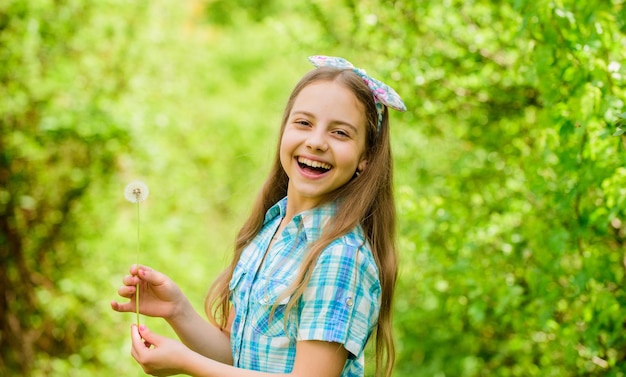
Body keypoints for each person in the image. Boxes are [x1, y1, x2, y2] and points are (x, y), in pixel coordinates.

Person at [111, 55, 407, 377]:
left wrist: (185, 362)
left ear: (365, 157)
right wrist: (177, 310)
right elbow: (238, 359)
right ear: (284, 130)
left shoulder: (340, 255)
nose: (316, 142)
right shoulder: (272, 229)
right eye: (304, 123)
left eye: (340, 133)